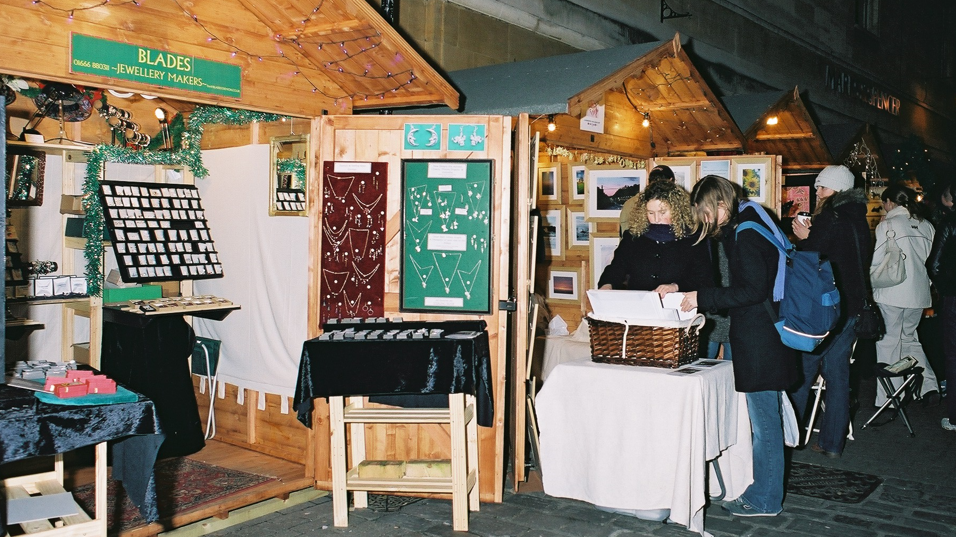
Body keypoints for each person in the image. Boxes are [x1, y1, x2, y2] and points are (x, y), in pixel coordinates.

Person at [676, 175, 798, 517]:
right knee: (766, 421)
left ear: (720, 205)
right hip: (768, 334)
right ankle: (764, 492)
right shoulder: (755, 216)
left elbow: (751, 291)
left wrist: (703, 297)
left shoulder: (743, 234)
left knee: (765, 426)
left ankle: (765, 498)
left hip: (760, 339)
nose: (703, 221)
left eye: (704, 212)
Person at [788, 165, 871, 458]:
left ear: (836, 190)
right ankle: (833, 443)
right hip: (852, 307)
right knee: (838, 377)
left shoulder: (829, 217)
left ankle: (792, 436)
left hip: (825, 308)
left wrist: (803, 237)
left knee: (803, 372)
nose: (817, 193)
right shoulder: (859, 219)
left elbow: (812, 261)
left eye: (822, 188)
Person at [871, 184, 938, 404]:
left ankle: (892, 397)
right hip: (919, 294)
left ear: (890, 202)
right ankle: (928, 386)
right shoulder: (927, 226)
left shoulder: (888, 225)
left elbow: (877, 261)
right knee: (909, 339)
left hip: (891, 292)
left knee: (888, 341)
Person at [598, 179, 712, 296]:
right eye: (651, 213)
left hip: (680, 308)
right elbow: (616, 268)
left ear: (677, 210)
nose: (656, 219)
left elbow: (704, 280)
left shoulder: (694, 239)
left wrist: (676, 286)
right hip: (641, 307)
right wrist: (607, 284)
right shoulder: (633, 237)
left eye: (662, 212)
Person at [927, 178, 956, 430]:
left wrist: (946, 289)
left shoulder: (949, 223)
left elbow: (934, 264)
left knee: (953, 354)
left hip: (954, 297)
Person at [619, 164, 676, 233]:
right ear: (671, 180)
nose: (656, 219)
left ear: (648, 182)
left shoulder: (629, 203)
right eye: (651, 213)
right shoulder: (680, 203)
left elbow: (624, 234)